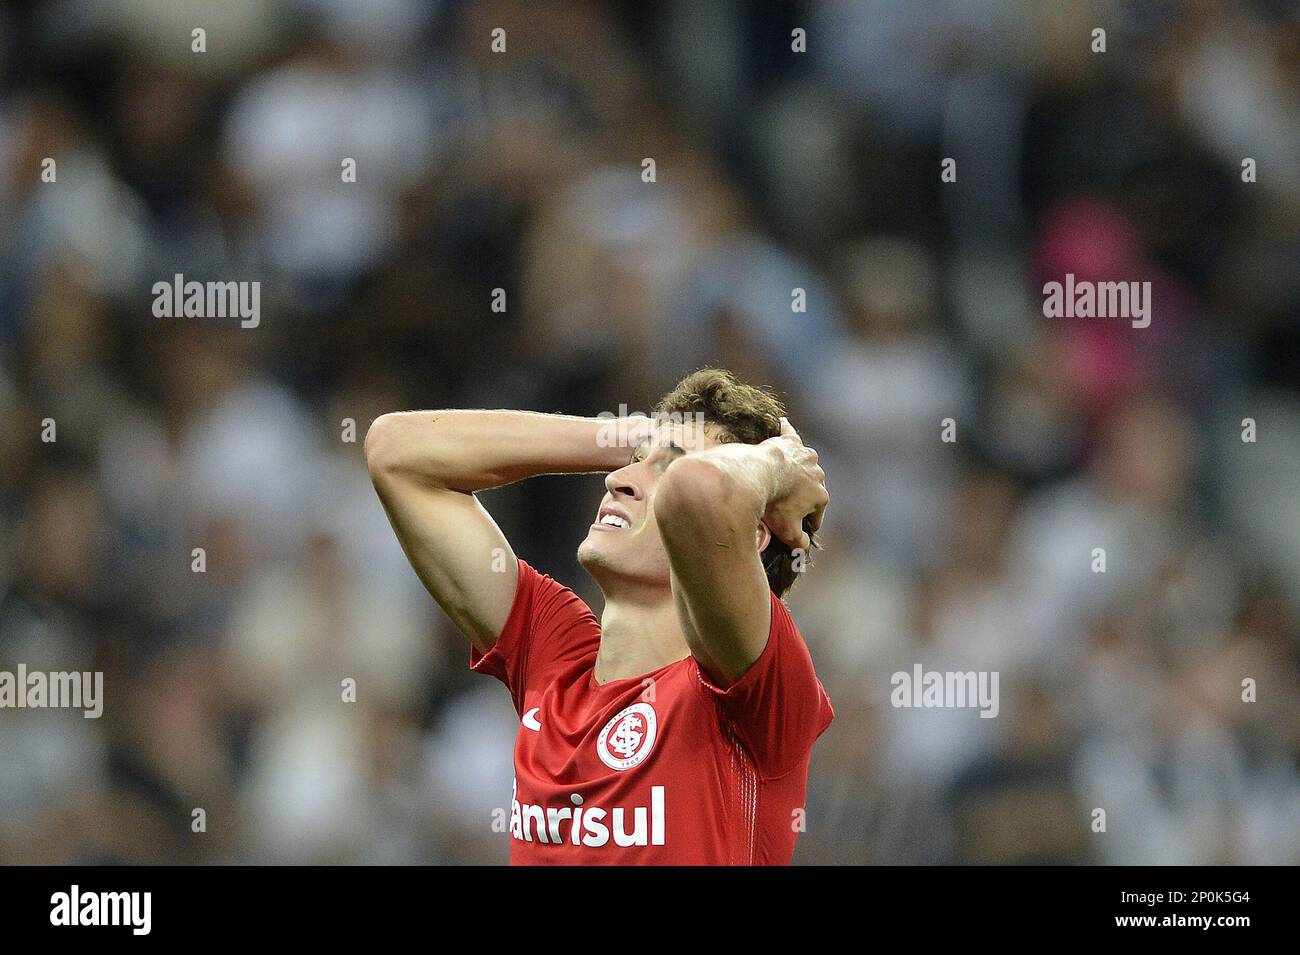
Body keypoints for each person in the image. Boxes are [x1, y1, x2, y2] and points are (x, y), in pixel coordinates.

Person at [365, 368, 833, 864]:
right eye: (633, 461)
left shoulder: (757, 684)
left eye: (664, 468)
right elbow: (396, 452)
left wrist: (779, 464)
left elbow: (698, 492)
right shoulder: (555, 657)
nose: (616, 480)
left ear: (753, 536)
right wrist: (633, 436)